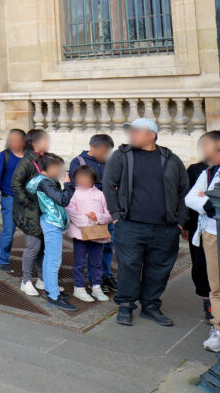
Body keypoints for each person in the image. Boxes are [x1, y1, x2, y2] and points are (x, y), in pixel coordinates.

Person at [105, 118, 188, 327]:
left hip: (165, 228)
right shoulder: (122, 156)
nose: (131, 135)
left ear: (152, 135)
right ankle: (125, 305)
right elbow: (108, 184)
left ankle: (150, 305)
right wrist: (116, 215)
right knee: (129, 266)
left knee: (159, 269)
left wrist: (180, 222)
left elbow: (184, 191)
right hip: (130, 225)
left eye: (136, 131)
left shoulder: (171, 159)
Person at [27, 154, 77, 311]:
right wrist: (69, 185)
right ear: (46, 169)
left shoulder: (42, 181)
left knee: (49, 258)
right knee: (54, 260)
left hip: (49, 222)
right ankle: (54, 296)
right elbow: (62, 200)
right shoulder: (45, 183)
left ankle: (49, 290)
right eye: (57, 167)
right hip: (52, 223)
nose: (59, 170)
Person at [185, 131, 220, 351]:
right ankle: (218, 329)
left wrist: (204, 200)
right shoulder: (206, 172)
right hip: (211, 234)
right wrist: (207, 204)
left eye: (206, 145)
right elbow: (190, 198)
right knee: (215, 288)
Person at [69, 133, 117, 291]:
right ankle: (92, 279)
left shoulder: (108, 162)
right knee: (87, 248)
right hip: (87, 214)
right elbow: (75, 189)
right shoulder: (78, 162)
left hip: (105, 211)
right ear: (92, 147)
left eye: (107, 151)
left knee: (107, 245)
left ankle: (105, 275)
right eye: (102, 151)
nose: (104, 154)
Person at [64, 164, 112, 303]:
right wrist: (86, 222)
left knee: (97, 261)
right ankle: (79, 287)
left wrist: (97, 217)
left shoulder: (100, 194)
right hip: (80, 233)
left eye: (86, 178)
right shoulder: (74, 193)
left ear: (93, 179)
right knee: (79, 261)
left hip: (97, 233)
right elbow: (71, 211)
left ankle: (96, 286)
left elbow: (108, 214)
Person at [11, 129, 50, 296]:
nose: (47, 143)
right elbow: (15, 183)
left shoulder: (45, 160)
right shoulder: (26, 162)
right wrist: (28, 202)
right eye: (44, 140)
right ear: (34, 143)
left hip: (43, 210)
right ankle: (25, 280)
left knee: (43, 247)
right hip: (30, 212)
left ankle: (42, 279)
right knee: (33, 247)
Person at [0, 128, 26, 272]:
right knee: (8, 231)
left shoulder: (30, 156)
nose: (13, 143)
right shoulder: (3, 156)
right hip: (9, 198)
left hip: (27, 199)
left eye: (16, 140)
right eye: (11, 140)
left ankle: (34, 260)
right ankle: (2, 259)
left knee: (34, 232)